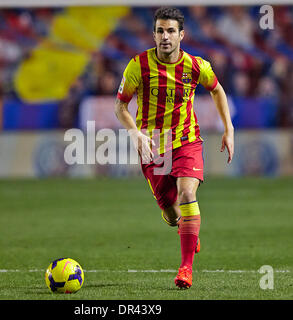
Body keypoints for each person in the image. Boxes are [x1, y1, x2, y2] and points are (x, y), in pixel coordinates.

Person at [114, 7, 234, 289]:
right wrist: (135, 133)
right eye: (159, 30)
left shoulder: (196, 66)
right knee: (170, 212)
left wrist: (228, 129)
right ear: (153, 34)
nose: (165, 36)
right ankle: (187, 228)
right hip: (153, 145)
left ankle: (186, 268)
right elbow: (120, 105)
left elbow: (217, 89)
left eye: (170, 31)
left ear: (181, 35)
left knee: (186, 193)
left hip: (186, 141)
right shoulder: (138, 66)